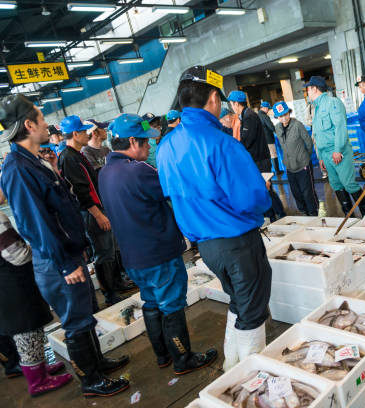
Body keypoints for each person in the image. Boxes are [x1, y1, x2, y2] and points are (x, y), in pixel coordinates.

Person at [0, 94, 129, 397]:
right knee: (76, 321)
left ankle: (98, 364)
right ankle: (91, 381)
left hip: (67, 253)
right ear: (29, 125)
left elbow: (58, 205)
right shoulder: (17, 168)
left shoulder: (34, 160)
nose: (48, 123)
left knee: (86, 313)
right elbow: (35, 223)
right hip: (57, 260)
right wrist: (65, 262)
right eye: (41, 118)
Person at [156, 66, 272, 371]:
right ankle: (251, 380)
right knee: (252, 311)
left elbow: (172, 193)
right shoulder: (221, 143)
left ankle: (230, 366)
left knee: (237, 301)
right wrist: (264, 190)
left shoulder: (166, 146)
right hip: (237, 243)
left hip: (205, 247)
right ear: (211, 99)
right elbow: (252, 199)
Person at [99, 113, 217, 375]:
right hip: (159, 254)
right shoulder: (138, 171)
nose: (150, 145)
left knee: (151, 303)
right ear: (132, 141)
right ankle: (183, 359)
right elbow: (175, 187)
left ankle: (163, 355)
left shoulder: (105, 172)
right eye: (145, 141)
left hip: (133, 258)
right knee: (172, 306)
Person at [59, 115, 134, 306]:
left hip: (97, 209)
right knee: (102, 253)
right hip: (91, 213)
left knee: (109, 250)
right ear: (75, 134)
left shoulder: (76, 155)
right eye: (84, 131)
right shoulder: (68, 157)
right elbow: (80, 191)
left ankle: (117, 284)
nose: (87, 134)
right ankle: (109, 294)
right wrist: (98, 214)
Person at [0, 207, 73, 396]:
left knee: (31, 329)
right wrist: (37, 250)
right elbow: (16, 254)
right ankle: (38, 381)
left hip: (11, 283)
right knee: (27, 332)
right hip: (12, 284)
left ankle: (40, 369)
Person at [306, 76, 365, 216]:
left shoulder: (333, 102)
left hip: (339, 152)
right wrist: (321, 157)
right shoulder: (316, 108)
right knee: (336, 184)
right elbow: (318, 135)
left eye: (308, 89)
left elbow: (340, 127)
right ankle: (349, 215)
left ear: (314, 89)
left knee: (348, 183)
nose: (307, 93)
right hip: (326, 154)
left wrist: (337, 150)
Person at [228, 90, 285, 221]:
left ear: (236, 103)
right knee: (263, 189)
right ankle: (272, 215)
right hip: (257, 160)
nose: (232, 107)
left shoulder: (249, 116)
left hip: (260, 161)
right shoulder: (245, 116)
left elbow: (246, 140)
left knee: (266, 188)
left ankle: (278, 214)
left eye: (232, 104)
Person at [273, 101, 318, 216]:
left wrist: (304, 158)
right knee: (296, 192)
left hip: (303, 165)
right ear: (277, 117)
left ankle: (313, 212)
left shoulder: (297, 125)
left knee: (307, 192)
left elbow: (308, 142)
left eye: (285, 114)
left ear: (289, 113)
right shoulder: (277, 128)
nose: (284, 118)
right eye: (281, 116)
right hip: (290, 166)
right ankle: (303, 211)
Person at [258, 101, 283, 175]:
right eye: (268, 109)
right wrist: (277, 132)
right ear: (264, 108)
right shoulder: (264, 116)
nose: (268, 110)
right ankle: (277, 171)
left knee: (267, 155)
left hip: (262, 139)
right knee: (273, 154)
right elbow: (270, 126)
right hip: (268, 139)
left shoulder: (257, 115)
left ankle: (269, 171)